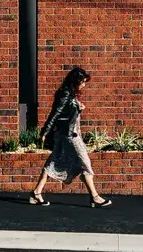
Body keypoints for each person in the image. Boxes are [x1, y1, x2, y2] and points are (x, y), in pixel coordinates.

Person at [29, 66, 110, 208]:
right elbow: (55, 113)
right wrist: (44, 132)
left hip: (64, 134)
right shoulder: (65, 94)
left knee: (53, 161)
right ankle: (95, 197)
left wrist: (78, 108)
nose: (84, 85)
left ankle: (36, 193)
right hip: (69, 135)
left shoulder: (69, 94)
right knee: (85, 163)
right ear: (75, 81)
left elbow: (67, 112)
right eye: (82, 82)